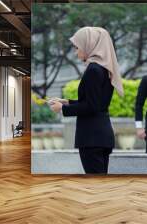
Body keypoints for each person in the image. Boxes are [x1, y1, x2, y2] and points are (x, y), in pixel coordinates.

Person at [49, 27, 124, 174]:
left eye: (77, 47)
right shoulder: (104, 69)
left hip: (92, 138)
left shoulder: (93, 70)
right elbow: (94, 102)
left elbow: (91, 106)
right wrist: (67, 102)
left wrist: (62, 109)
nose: (76, 52)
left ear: (89, 45)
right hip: (101, 136)